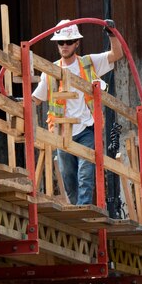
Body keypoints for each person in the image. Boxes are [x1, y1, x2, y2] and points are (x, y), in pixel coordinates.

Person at [31, 19, 122, 205]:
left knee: (85, 177)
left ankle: (84, 211)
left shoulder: (88, 63)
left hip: (86, 129)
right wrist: (17, 101)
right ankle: (77, 212)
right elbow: (36, 99)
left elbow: (117, 54)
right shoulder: (50, 71)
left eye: (68, 42)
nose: (64, 46)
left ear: (77, 43)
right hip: (62, 132)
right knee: (69, 180)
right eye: (60, 42)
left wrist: (112, 33)